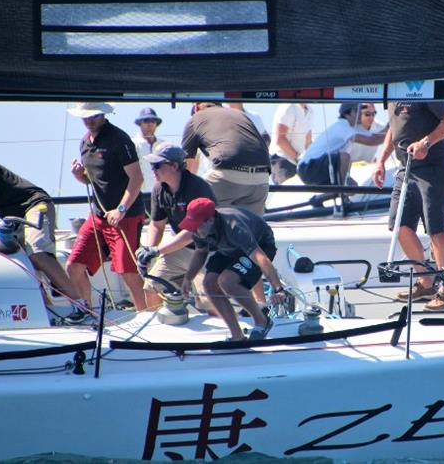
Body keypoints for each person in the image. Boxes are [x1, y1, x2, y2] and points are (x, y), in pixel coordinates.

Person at [0, 139, 86, 321]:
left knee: (37, 253)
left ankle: (80, 305)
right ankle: (48, 312)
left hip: (34, 205)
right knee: (20, 264)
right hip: (15, 221)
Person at [138, 197, 285, 341]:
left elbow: (261, 258)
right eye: (192, 225)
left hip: (262, 245)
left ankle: (262, 321)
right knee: (208, 283)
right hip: (230, 249)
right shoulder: (200, 229)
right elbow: (200, 252)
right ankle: (237, 336)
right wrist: (188, 278)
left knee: (227, 281)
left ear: (211, 220)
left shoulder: (234, 226)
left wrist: (278, 289)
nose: (193, 230)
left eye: (196, 226)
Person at [66, 102, 156, 318]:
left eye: (93, 116)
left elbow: (137, 179)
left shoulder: (119, 139)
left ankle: (147, 318)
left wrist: (121, 209)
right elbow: (96, 180)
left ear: (103, 115)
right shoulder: (84, 143)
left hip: (126, 215)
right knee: (73, 266)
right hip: (98, 216)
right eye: (85, 116)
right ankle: (86, 312)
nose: (89, 120)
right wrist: (81, 177)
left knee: (128, 270)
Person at [373, 101, 444, 311]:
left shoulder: (423, 91)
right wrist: (381, 160)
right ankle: (426, 283)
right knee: (399, 225)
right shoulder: (393, 95)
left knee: (436, 229)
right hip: (406, 168)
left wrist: (426, 143)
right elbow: (393, 129)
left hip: (434, 168)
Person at [135, 142, 218, 312]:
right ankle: (158, 332)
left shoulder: (198, 187)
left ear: (174, 166)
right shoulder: (159, 189)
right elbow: (157, 225)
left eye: (157, 165)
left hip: (208, 251)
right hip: (182, 249)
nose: (153, 170)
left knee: (208, 302)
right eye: (152, 165)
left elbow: (193, 232)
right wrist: (149, 250)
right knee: (151, 287)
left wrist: (157, 251)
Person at [182, 101, 271, 216]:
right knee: (250, 229)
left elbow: (187, 167)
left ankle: (179, 233)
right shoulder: (240, 115)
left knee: (194, 208)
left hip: (227, 177)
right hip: (261, 179)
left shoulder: (195, 119)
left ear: (196, 108)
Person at [298, 103, 386, 186]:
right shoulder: (342, 126)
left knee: (353, 186)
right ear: (347, 114)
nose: (360, 114)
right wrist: (392, 125)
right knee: (345, 156)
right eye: (356, 111)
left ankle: (329, 196)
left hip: (314, 167)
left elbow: (375, 138)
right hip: (308, 168)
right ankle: (342, 191)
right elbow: (371, 141)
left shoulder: (349, 128)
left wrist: (390, 128)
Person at [269, 103, 313, 184]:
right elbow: (280, 139)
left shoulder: (309, 111)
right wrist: (298, 158)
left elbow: (308, 141)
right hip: (282, 162)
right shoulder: (288, 106)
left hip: (297, 164)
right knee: (286, 194)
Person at [131, 107, 164, 200]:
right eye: (146, 121)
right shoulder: (132, 144)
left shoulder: (164, 145)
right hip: (139, 196)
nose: (150, 124)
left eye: (153, 121)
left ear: (156, 124)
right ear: (139, 123)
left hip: (161, 195)